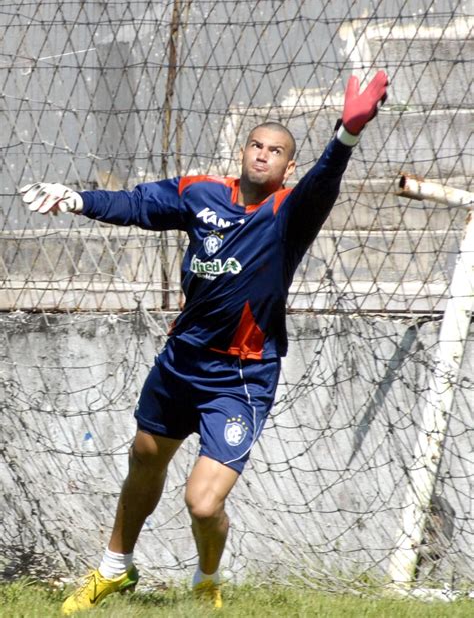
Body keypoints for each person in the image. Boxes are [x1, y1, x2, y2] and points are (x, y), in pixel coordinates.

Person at [20, 71, 388, 613]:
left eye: (277, 151)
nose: (264, 155)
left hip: (238, 377)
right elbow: (139, 205)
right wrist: (76, 199)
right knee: (144, 459)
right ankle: (114, 570)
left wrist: (346, 135)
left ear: (289, 167)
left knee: (201, 502)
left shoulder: (288, 213)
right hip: (179, 362)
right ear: (244, 152)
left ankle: (206, 578)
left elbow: (324, 182)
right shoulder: (201, 194)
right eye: (257, 145)